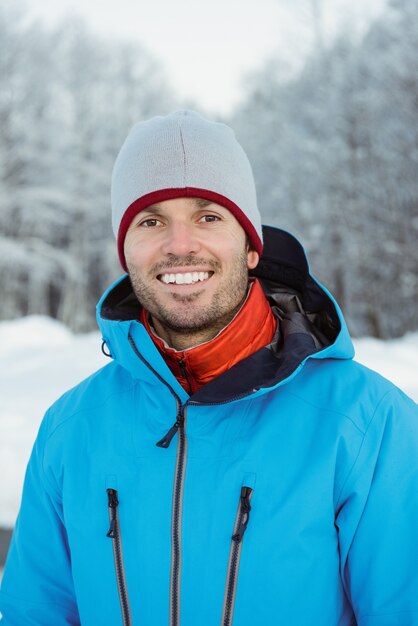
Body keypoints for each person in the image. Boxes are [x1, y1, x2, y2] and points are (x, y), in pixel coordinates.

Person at [0, 110, 417, 626]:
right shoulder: (70, 429)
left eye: (208, 216)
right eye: (151, 221)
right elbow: (33, 612)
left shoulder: (370, 424)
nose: (180, 245)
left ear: (249, 248)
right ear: (125, 250)